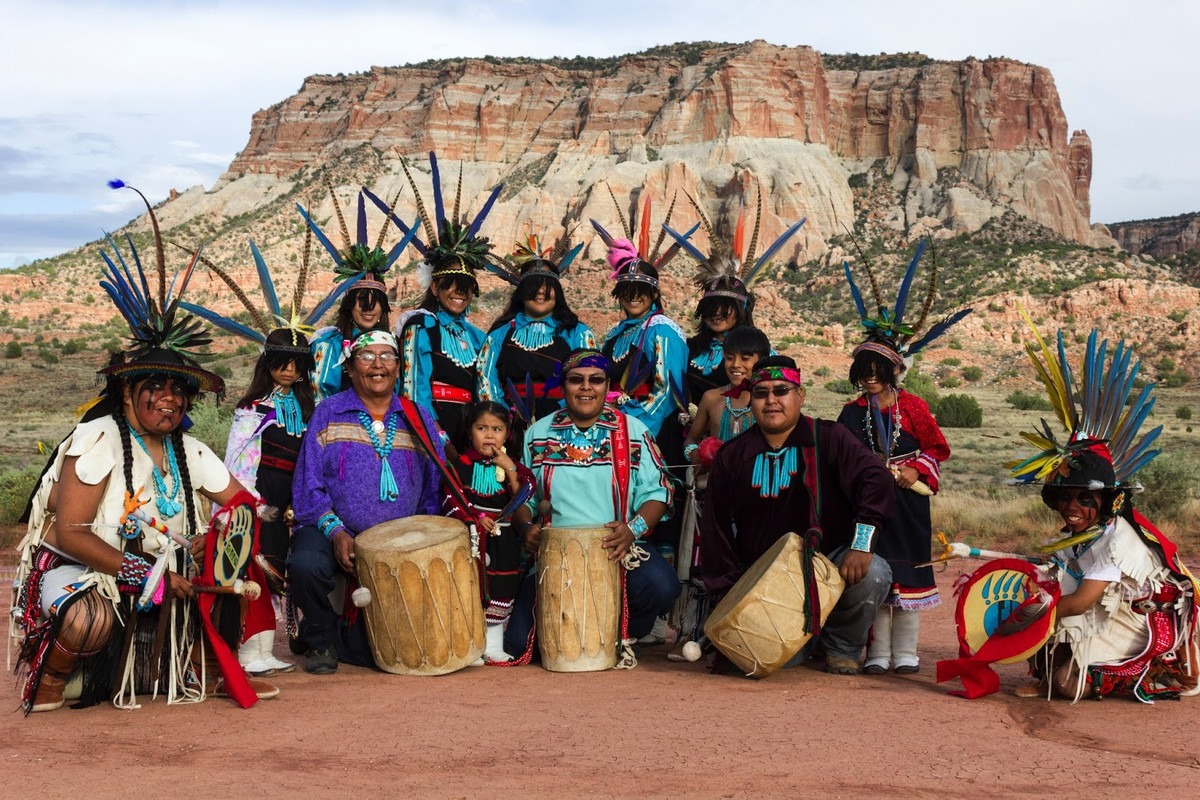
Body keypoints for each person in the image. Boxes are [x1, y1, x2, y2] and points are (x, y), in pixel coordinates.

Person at [12, 183, 271, 713]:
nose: (170, 398)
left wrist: (220, 539)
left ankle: (208, 668)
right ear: (128, 392)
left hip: (162, 570)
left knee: (234, 568)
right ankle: (53, 678)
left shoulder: (190, 450)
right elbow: (71, 533)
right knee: (90, 617)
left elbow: (243, 504)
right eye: (156, 386)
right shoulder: (97, 439)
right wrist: (146, 574)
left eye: (179, 389)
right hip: (91, 574)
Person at [182, 233, 355, 677]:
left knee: (280, 574)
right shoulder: (252, 408)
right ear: (268, 363)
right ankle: (247, 650)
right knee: (254, 568)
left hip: (298, 496)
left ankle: (265, 650)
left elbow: (314, 457)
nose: (289, 370)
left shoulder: (311, 409)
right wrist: (249, 505)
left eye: (297, 364)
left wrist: (308, 499)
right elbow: (238, 457)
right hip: (261, 497)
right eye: (281, 362)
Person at [1001, 322, 1198, 701]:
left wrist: (1027, 612)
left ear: (1106, 502)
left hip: (1132, 623)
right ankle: (1053, 670)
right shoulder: (1075, 537)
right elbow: (1059, 577)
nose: (1071, 507)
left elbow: (1080, 602)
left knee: (1065, 681)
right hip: (1095, 612)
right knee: (1050, 606)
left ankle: (1158, 673)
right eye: (1065, 498)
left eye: (1084, 499)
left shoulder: (1117, 542)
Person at [700, 355, 896, 675]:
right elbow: (716, 530)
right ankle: (807, 643)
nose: (771, 400)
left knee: (874, 572)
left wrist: (862, 542)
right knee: (768, 662)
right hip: (766, 585)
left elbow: (877, 480)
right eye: (761, 393)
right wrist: (728, 597)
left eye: (781, 391)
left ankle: (840, 646)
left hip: (828, 564)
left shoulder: (829, 438)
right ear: (751, 400)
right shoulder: (733, 455)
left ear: (800, 396)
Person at [836, 242, 969, 675]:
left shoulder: (914, 407)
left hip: (910, 500)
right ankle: (876, 653)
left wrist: (915, 470)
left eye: (878, 372)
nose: (871, 380)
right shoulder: (851, 412)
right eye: (865, 373)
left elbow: (937, 448)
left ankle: (907, 653)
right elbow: (840, 453)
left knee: (909, 574)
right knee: (876, 573)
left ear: (893, 370)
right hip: (869, 504)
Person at [507, 349, 682, 662]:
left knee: (661, 584)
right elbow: (523, 496)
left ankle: (621, 633)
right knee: (520, 644)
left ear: (607, 385)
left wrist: (633, 529)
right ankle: (590, 634)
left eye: (595, 380)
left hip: (616, 553)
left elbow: (660, 492)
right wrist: (525, 528)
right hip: (555, 559)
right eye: (576, 380)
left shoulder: (633, 431)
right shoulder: (538, 433)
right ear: (563, 386)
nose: (586, 387)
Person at [288, 331, 446, 675]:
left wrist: (416, 539)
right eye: (367, 357)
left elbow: (435, 488)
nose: (378, 365)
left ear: (398, 367)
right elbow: (308, 486)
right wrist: (336, 532)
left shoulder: (416, 418)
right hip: (333, 527)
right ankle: (320, 640)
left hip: (397, 540)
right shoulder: (329, 412)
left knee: (373, 654)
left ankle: (335, 635)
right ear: (350, 367)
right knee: (304, 564)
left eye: (387, 357)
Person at [392, 152, 501, 446]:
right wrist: (438, 439)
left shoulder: (479, 337)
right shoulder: (421, 327)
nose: (459, 293)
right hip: (432, 430)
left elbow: (485, 390)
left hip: (472, 433)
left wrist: (491, 436)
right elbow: (414, 389)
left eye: (466, 287)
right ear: (435, 289)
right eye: (451, 285)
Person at [661, 188, 805, 405]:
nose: (717, 313)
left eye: (725, 307)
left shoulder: (761, 353)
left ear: (741, 309)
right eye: (711, 307)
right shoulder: (689, 348)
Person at [301, 178, 419, 401]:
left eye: (375, 301)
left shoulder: (394, 346)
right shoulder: (328, 345)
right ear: (348, 305)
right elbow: (320, 399)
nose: (369, 308)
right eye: (361, 301)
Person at [477, 234, 596, 449]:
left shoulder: (578, 333)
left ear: (557, 293)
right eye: (533, 288)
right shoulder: (499, 334)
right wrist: (502, 419)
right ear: (521, 294)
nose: (541, 293)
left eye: (547, 287)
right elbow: (486, 378)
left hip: (565, 426)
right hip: (510, 427)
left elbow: (590, 381)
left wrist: (564, 417)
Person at [442, 401, 536, 662]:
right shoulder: (459, 466)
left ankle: (493, 646)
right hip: (472, 539)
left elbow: (523, 494)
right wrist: (474, 519)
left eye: (497, 429)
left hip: (503, 538)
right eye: (481, 427)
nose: (489, 435)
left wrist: (508, 466)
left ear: (507, 434)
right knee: (470, 588)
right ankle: (471, 646)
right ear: (470, 431)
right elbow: (451, 500)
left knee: (501, 587)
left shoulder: (512, 467)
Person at [684, 326, 771, 461]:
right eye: (730, 358)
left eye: (745, 358)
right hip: (715, 478)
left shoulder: (770, 401)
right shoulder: (711, 398)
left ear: (762, 361)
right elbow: (691, 440)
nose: (735, 364)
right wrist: (696, 455)